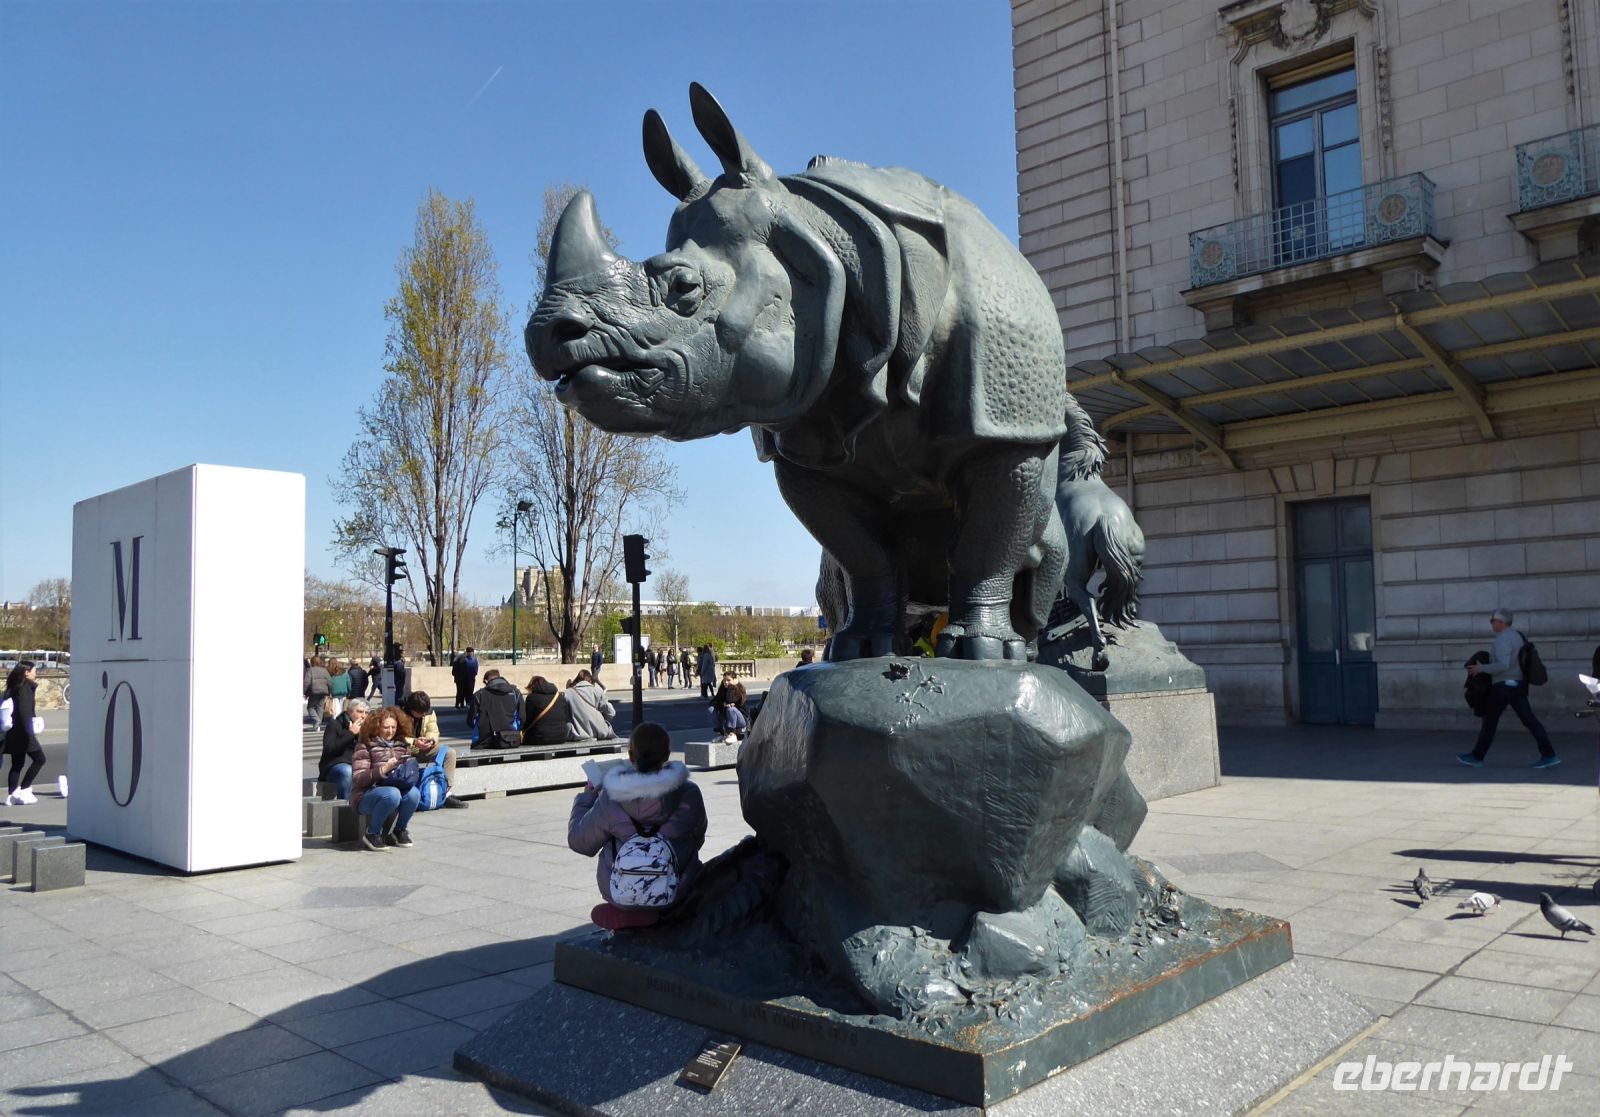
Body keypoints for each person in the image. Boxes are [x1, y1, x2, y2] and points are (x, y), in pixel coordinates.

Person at [568, 721, 708, 930]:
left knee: (613, 844)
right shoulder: (689, 793)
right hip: (678, 886)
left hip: (622, 891)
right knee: (686, 856)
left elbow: (580, 842)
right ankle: (664, 907)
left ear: (631, 756)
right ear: (667, 755)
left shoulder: (611, 797)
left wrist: (587, 799)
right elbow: (698, 838)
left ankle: (629, 910)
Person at [1457, 609, 1559, 769]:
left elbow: (1503, 665)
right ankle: (1549, 754)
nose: (1491, 623)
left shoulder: (1502, 639)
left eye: (1493, 621)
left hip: (1504, 686)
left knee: (1490, 721)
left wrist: (1481, 668)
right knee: (1530, 720)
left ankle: (1477, 756)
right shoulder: (1518, 635)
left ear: (1501, 622)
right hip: (1518, 685)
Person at [349, 706, 421, 851]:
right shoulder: (365, 745)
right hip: (366, 794)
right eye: (386, 727)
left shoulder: (401, 744)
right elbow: (358, 778)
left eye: (393, 727)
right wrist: (383, 770)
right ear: (377, 727)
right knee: (392, 793)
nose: (390, 731)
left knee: (414, 793)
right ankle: (372, 833)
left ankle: (400, 830)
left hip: (395, 787)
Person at [402, 691, 466, 809]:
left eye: (425, 712)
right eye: (420, 713)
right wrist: (414, 742)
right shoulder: (399, 713)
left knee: (449, 753)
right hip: (404, 749)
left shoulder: (429, 713)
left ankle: (445, 792)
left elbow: (433, 731)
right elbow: (395, 737)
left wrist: (430, 741)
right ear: (411, 709)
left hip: (423, 747)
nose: (423, 715)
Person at [4, 661, 46, 806]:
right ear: (26, 673)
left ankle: (11, 795)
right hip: (24, 733)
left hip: (14, 732)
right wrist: (30, 731)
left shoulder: (15, 687)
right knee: (40, 759)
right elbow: (24, 713)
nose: (36, 673)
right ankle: (25, 788)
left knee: (17, 764)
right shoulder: (25, 689)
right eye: (34, 670)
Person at [318, 699, 368, 800]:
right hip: (335, 766)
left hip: (358, 765)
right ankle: (345, 808)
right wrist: (350, 733)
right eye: (359, 712)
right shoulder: (335, 724)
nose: (363, 716)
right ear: (349, 711)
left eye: (366, 713)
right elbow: (329, 749)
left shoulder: (367, 728)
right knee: (347, 771)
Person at [472, 669, 523, 748]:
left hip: (483, 742)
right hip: (511, 740)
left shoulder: (479, 695)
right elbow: (522, 717)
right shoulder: (516, 693)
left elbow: (471, 720)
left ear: (486, 681)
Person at [565, 669, 617, 741]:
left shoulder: (567, 693)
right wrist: (603, 718)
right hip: (599, 731)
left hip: (576, 733)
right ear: (590, 680)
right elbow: (611, 712)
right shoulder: (598, 691)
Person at [524, 675, 572, 747]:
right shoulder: (560, 697)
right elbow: (566, 718)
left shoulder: (532, 698)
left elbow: (526, 720)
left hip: (539, 737)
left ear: (532, 686)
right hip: (561, 737)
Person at [304, 656, 332, 731]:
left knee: (310, 707)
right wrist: (330, 691)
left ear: (312, 662)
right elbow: (330, 682)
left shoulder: (310, 670)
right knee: (320, 707)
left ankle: (316, 720)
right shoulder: (324, 670)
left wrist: (304, 692)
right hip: (323, 692)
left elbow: (306, 682)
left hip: (314, 691)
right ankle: (317, 725)